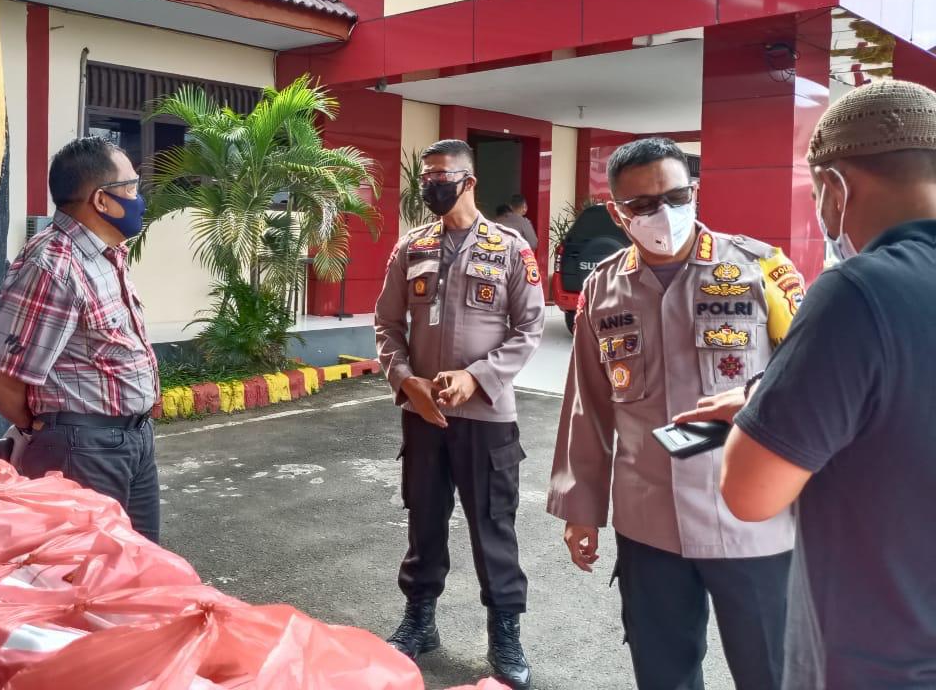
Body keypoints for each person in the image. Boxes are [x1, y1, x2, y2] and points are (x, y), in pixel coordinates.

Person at [678, 79, 936, 689]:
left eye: (817, 194)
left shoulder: (858, 291)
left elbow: (751, 493)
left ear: (836, 187)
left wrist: (758, 415)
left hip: (877, 663)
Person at [547, 137, 804, 690]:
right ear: (617, 212)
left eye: (675, 196)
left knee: (774, 672)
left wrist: (756, 400)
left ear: (694, 190)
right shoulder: (602, 288)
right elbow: (587, 407)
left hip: (750, 520)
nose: (662, 212)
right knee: (663, 674)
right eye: (642, 205)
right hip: (650, 526)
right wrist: (580, 507)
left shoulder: (761, 269)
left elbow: (811, 381)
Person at [375, 139, 546, 690]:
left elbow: (530, 329)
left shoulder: (511, 249)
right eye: (425, 177)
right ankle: (419, 621)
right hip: (423, 413)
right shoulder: (411, 246)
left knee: (493, 526)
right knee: (424, 520)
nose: (430, 185)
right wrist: (406, 381)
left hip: (487, 417)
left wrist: (478, 376)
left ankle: (505, 633)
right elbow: (387, 325)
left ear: (469, 181)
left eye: (440, 176)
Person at [0, 136, 162, 542]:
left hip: (132, 442)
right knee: (88, 567)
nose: (139, 198)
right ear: (102, 200)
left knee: (141, 565)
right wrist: (46, 431)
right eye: (131, 187)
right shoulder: (52, 266)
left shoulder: (108, 254)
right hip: (83, 450)